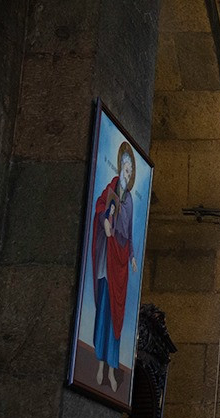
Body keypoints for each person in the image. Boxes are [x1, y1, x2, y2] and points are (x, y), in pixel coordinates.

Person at [91, 142, 139, 393]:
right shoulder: (111, 189)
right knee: (104, 310)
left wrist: (132, 256)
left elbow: (129, 232)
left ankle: (111, 368)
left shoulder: (129, 200)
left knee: (116, 316)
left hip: (121, 261)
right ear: (120, 167)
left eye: (130, 172)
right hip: (108, 255)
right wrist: (105, 221)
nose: (127, 174)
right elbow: (101, 207)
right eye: (125, 169)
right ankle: (100, 364)